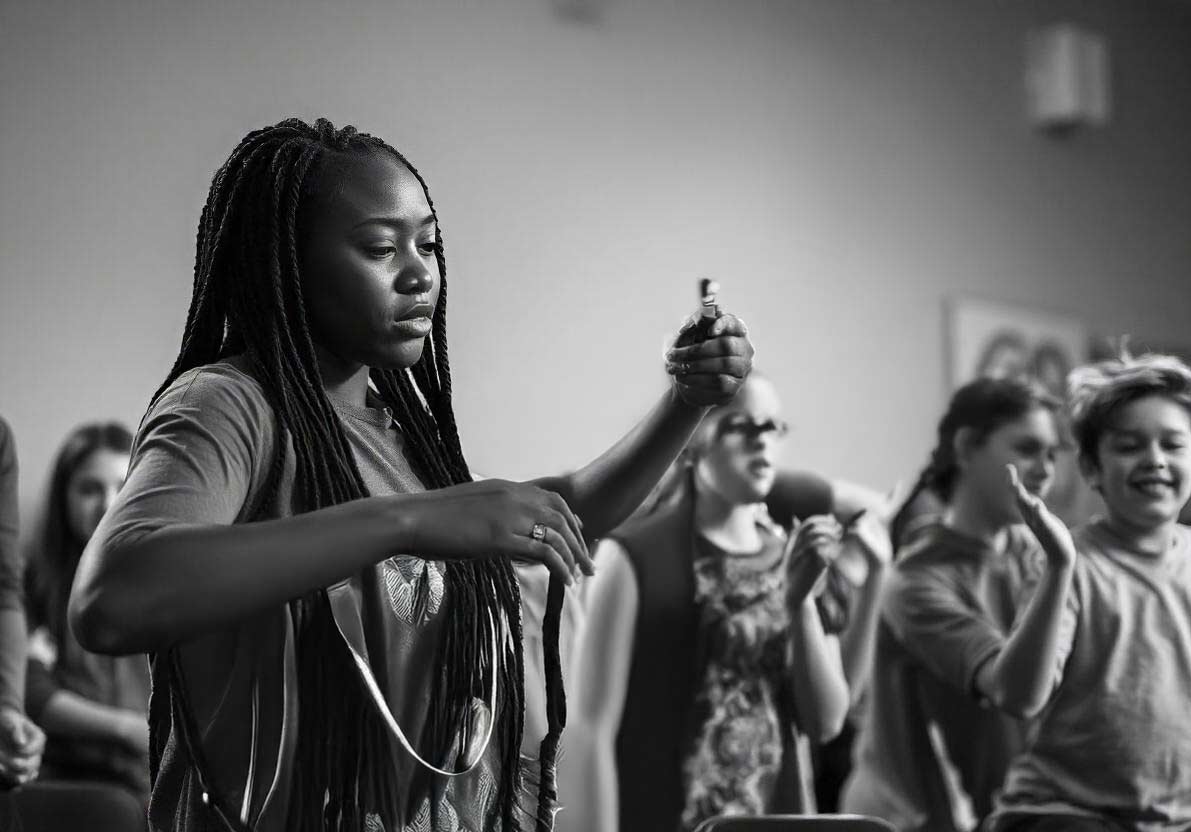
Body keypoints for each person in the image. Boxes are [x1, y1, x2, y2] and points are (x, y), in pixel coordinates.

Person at [67, 118, 753, 832]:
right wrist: (409, 522)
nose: (421, 274)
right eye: (380, 249)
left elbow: (562, 512)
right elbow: (114, 596)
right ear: (288, 264)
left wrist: (686, 403)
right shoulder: (227, 404)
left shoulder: (404, 432)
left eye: (427, 245)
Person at [561, 372, 889, 832]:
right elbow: (589, 729)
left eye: (772, 427)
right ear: (693, 440)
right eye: (741, 426)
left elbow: (826, 722)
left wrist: (800, 603)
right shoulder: (634, 557)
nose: (761, 441)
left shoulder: (795, 558)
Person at [989, 352, 1191, 831]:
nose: (1154, 459)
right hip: (1066, 812)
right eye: (1130, 446)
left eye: (1172, 444)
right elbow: (1018, 696)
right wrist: (1059, 566)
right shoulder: (1068, 562)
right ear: (1092, 468)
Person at [840, 377, 1062, 831]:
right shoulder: (915, 582)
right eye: (1027, 449)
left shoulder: (1034, 557)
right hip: (910, 823)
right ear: (965, 447)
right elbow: (1011, 691)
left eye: (1053, 455)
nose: (1045, 469)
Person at [23, 422, 149, 820]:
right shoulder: (33, 586)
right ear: (64, 496)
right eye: (90, 489)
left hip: (148, 779)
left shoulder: (165, 582)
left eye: (123, 486)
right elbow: (32, 693)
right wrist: (127, 729)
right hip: (66, 778)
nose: (109, 504)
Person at [0, 416, 46, 826]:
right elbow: (42, 691)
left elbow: (3, 588)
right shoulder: (46, 585)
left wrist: (7, 707)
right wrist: (126, 727)